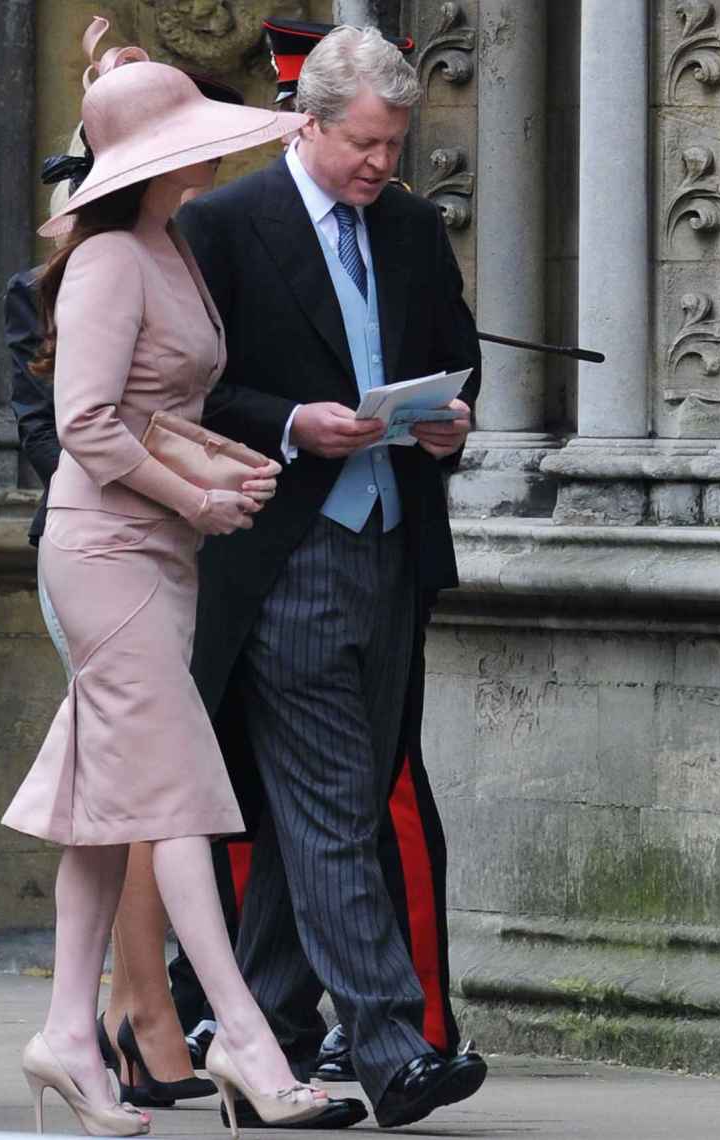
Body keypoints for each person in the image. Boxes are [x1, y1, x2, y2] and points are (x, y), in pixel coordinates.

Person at [1, 43, 331, 1138]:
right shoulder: (108, 260)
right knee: (175, 794)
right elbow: (88, 427)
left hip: (152, 554)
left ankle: (63, 1033)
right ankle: (243, 1036)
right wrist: (192, 497)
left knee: (106, 814)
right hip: (107, 558)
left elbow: (151, 411)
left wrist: (217, 468)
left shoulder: (164, 244)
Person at [177, 24, 487, 1130]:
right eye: (364, 143)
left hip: (395, 539)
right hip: (285, 545)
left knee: (334, 801)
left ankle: (259, 1035)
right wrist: (296, 425)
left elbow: (457, 348)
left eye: (396, 146)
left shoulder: (405, 223)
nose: (382, 166)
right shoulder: (223, 224)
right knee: (325, 801)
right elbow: (189, 390)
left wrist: (450, 422)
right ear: (307, 121)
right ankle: (395, 1045)